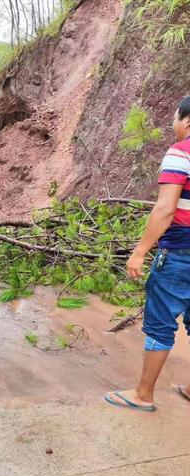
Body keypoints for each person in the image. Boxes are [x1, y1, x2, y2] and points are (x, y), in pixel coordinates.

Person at [105, 96, 190, 412]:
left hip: (181, 252)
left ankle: (143, 394)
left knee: (159, 323)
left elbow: (166, 208)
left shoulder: (181, 153)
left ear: (187, 120)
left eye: (174, 117)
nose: (172, 124)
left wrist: (139, 252)